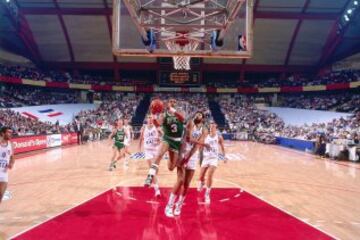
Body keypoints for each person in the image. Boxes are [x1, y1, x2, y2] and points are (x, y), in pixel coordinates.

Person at [165, 111, 208, 217]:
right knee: (180, 180)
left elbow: (196, 147)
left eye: (200, 115)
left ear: (203, 118)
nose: (197, 116)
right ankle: (169, 206)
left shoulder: (205, 130)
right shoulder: (190, 123)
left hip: (192, 156)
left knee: (186, 184)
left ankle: (179, 206)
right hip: (182, 152)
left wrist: (189, 157)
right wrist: (202, 143)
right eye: (196, 114)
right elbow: (188, 138)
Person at [144, 98, 185, 187]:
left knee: (171, 167)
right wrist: (153, 114)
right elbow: (157, 123)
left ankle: (171, 158)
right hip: (167, 138)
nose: (173, 103)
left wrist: (172, 110)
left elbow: (183, 119)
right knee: (159, 155)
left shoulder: (179, 113)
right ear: (168, 103)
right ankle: (150, 176)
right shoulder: (164, 115)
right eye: (171, 101)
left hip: (177, 142)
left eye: (174, 101)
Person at [198, 122, 227, 204]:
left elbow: (222, 147)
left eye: (213, 125)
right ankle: (202, 182)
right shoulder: (205, 136)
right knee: (201, 177)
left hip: (214, 159)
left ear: (215, 126)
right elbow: (200, 146)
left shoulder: (219, 136)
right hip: (205, 158)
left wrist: (224, 157)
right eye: (210, 125)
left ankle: (207, 194)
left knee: (210, 175)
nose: (211, 126)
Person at [139, 115, 162, 197]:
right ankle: (157, 190)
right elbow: (141, 138)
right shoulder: (144, 127)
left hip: (156, 150)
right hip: (147, 150)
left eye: (151, 118)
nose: (150, 119)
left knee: (155, 170)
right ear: (147, 119)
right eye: (149, 118)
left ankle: (151, 178)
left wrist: (160, 139)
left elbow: (162, 137)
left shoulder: (157, 127)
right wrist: (139, 147)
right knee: (152, 168)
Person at [0, 127, 14, 204]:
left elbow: (12, 158)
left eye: (11, 132)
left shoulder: (11, 145)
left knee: (1, 194)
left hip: (4, 173)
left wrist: (11, 164)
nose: (11, 134)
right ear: (2, 133)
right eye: (9, 132)